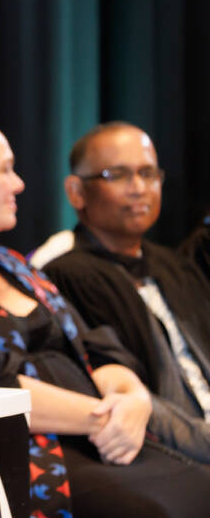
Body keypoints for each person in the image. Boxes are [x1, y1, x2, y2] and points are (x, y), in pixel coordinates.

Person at [0, 108, 210, 517]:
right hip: (29, 449)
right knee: (157, 508)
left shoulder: (14, 265)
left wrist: (131, 400)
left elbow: (97, 347)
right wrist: (104, 419)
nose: (18, 183)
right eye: (5, 170)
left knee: (199, 489)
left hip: (102, 432)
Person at [42, 123, 210, 435]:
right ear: (76, 192)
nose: (139, 188)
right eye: (117, 175)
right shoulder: (65, 277)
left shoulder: (175, 266)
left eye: (148, 174)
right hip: (159, 442)